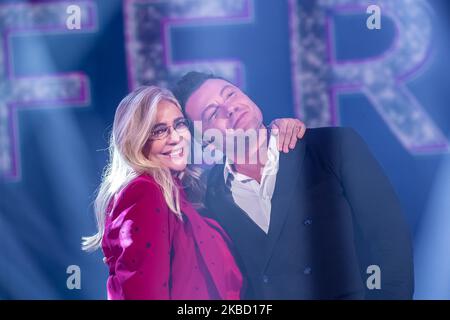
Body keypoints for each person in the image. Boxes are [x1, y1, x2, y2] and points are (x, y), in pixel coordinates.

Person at [172, 71, 415, 299]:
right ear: (205, 142)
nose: (230, 108)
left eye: (230, 94)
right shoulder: (209, 196)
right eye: (213, 114)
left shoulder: (332, 146)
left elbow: (391, 247)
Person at [82, 85, 305, 299]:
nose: (176, 137)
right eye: (159, 130)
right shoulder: (144, 191)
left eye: (179, 124)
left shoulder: (187, 193)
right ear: (136, 140)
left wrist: (277, 133)